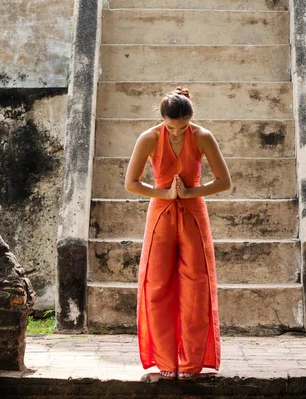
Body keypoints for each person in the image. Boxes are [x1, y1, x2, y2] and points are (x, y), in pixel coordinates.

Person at [125, 87, 232, 380]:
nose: (176, 133)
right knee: (157, 284)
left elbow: (224, 181)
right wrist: (165, 193)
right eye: (171, 127)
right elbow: (131, 183)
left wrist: (188, 192)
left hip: (194, 214)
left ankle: (190, 363)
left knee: (196, 286)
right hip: (160, 214)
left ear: (191, 118)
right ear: (162, 120)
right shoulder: (148, 138)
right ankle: (165, 362)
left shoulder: (202, 136)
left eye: (182, 127)